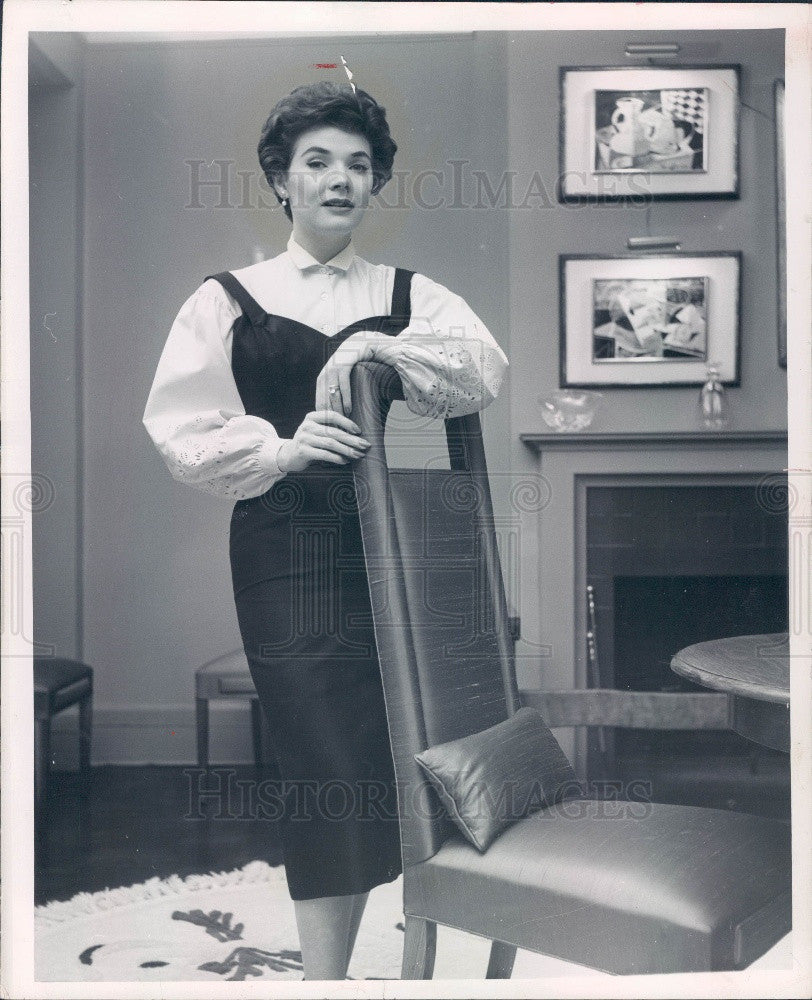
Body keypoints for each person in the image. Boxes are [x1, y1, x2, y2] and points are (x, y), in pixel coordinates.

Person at [143, 81, 508, 980]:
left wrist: (377, 349)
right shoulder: (225, 299)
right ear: (282, 179)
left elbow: (480, 371)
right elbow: (180, 434)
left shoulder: (406, 293)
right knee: (325, 760)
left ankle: (399, 949)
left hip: (396, 550)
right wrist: (282, 446)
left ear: (374, 183)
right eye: (318, 163)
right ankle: (323, 981)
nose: (339, 180)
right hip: (283, 551)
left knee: (402, 749)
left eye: (358, 165)